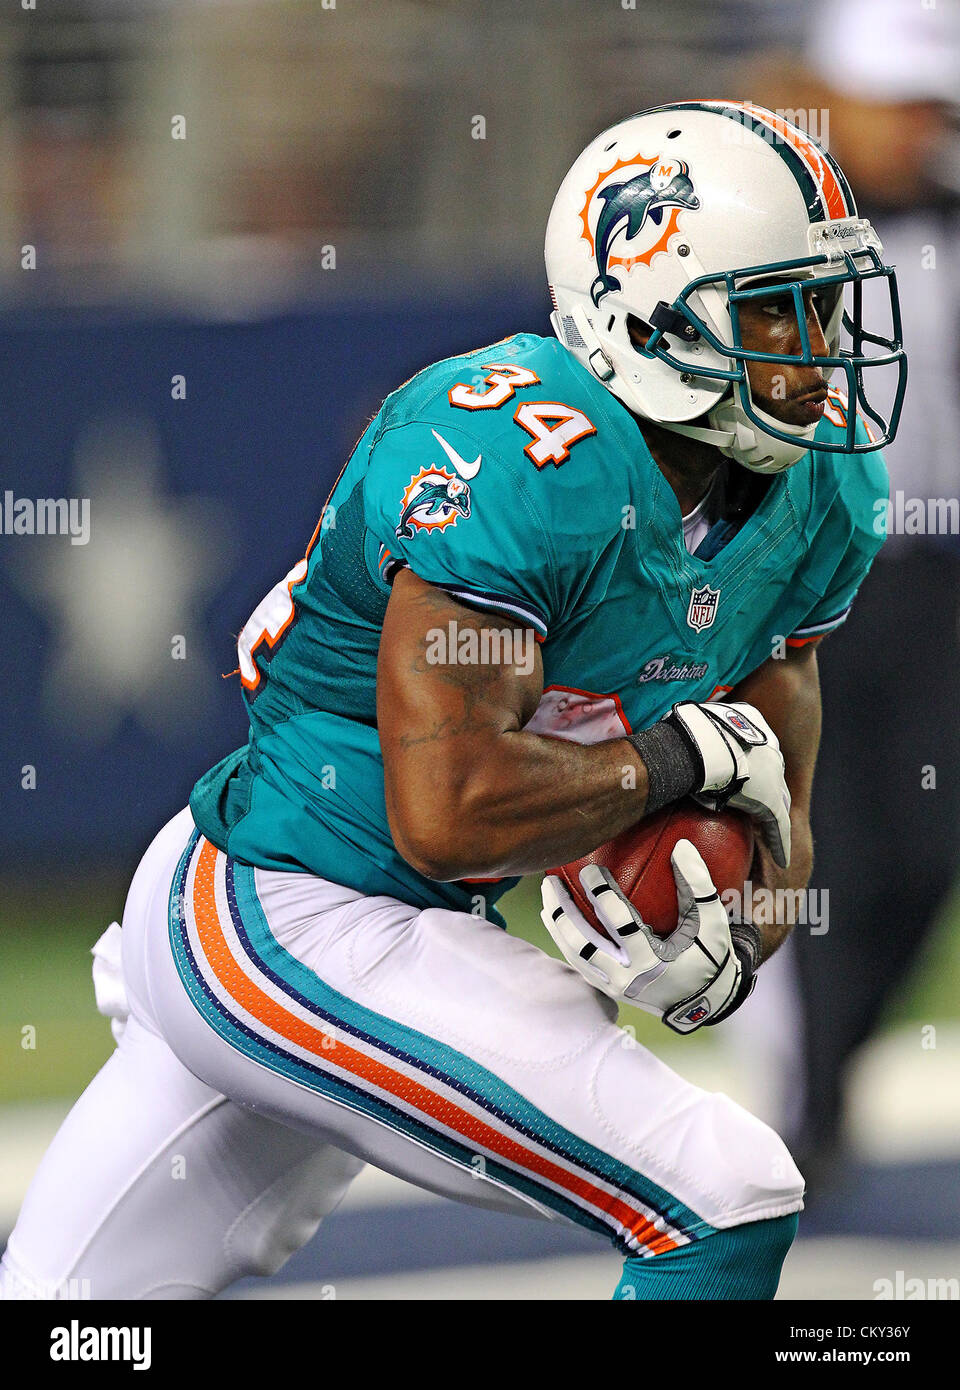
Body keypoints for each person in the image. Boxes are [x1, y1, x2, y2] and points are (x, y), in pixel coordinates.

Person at [0, 101, 905, 1302]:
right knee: (722, 1191)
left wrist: (740, 918)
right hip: (292, 907)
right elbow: (452, 810)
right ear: (644, 314)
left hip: (391, 929)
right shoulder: (529, 462)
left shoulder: (822, 488)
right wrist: (673, 764)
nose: (816, 352)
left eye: (827, 307)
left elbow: (776, 751)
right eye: (775, 310)